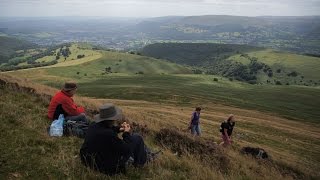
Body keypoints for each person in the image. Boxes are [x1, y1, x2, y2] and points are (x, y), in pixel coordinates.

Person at [80, 103, 154, 175]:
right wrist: (126, 133)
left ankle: (143, 155)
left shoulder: (93, 125)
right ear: (112, 119)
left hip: (89, 162)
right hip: (105, 167)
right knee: (137, 138)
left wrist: (120, 129)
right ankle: (141, 163)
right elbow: (126, 149)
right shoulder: (109, 135)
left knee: (134, 139)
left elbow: (107, 128)